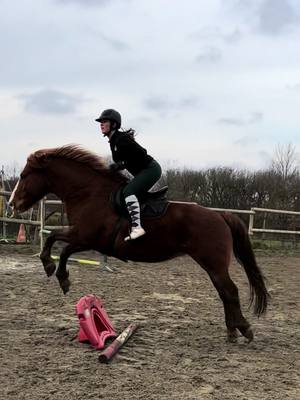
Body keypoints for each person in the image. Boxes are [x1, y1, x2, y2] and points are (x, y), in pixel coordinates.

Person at [95, 109, 162, 241]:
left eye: (104, 121)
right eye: (100, 122)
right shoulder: (113, 141)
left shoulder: (121, 139)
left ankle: (137, 228)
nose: (101, 124)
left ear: (113, 124)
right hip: (143, 172)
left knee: (128, 191)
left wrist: (121, 164)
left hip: (151, 169)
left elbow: (142, 152)